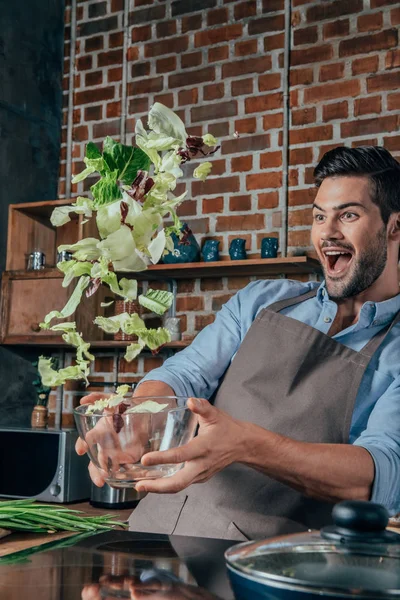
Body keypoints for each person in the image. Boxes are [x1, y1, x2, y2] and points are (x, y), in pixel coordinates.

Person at [77, 146, 400, 541]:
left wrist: (246, 445)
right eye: (319, 216)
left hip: (270, 570)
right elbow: (185, 373)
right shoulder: (262, 300)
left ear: (394, 227)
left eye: (348, 215)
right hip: (150, 539)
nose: (327, 232)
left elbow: (380, 475)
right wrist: (137, 419)